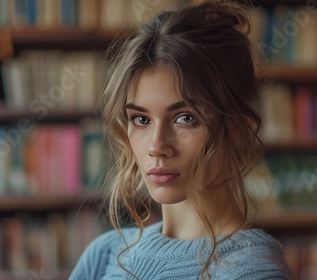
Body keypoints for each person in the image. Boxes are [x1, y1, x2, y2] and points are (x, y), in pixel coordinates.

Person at [70, 1, 294, 279]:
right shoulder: (105, 254)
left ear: (237, 126)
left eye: (185, 118)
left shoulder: (249, 273)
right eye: (141, 119)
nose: (156, 146)